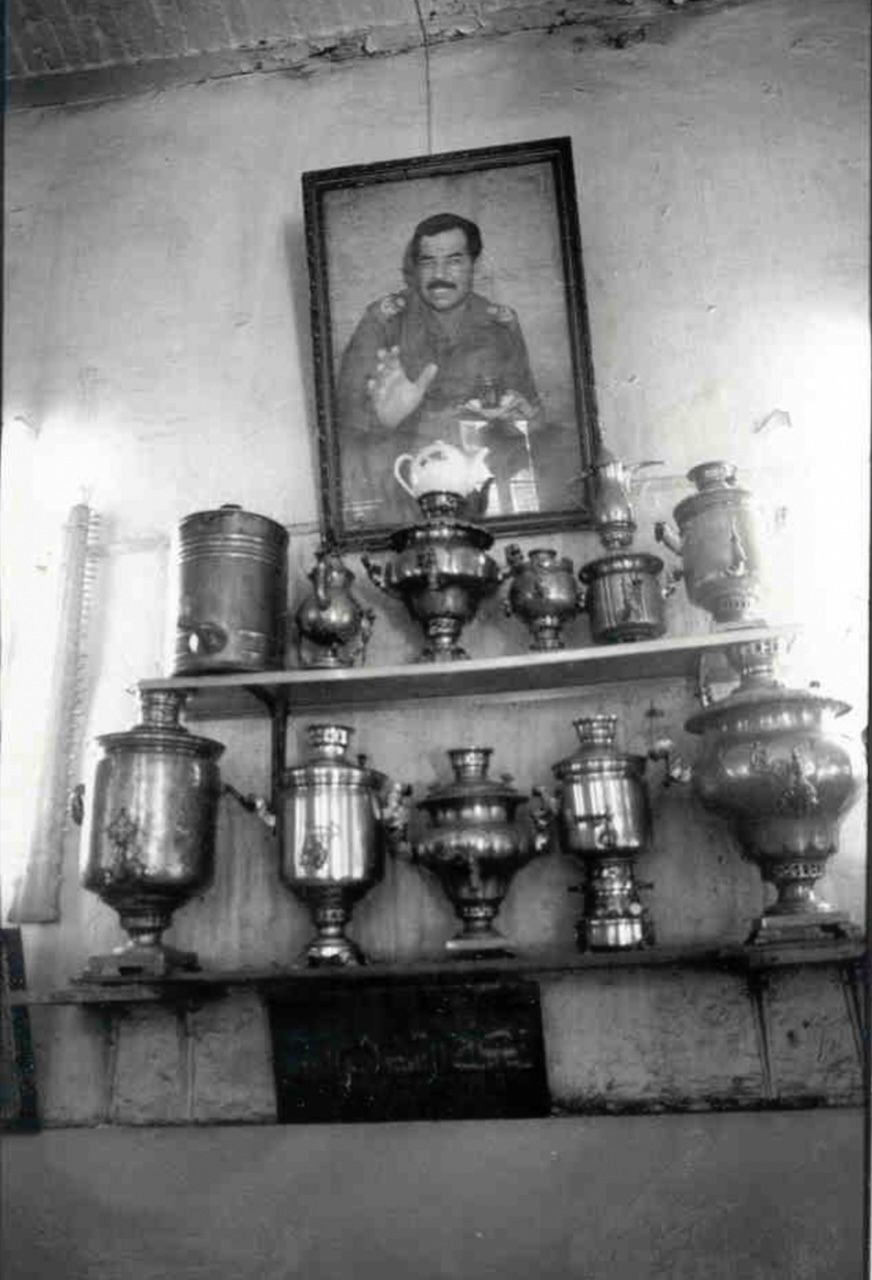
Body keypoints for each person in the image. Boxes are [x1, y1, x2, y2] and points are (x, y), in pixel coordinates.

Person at [336, 212, 546, 526]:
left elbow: (530, 416)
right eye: (428, 262)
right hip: (400, 495)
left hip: (481, 494)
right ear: (414, 268)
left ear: (476, 265)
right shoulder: (383, 322)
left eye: (454, 261)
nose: (439, 274)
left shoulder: (499, 324)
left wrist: (521, 417)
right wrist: (382, 420)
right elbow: (342, 422)